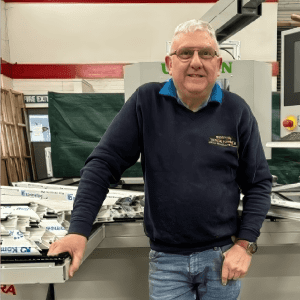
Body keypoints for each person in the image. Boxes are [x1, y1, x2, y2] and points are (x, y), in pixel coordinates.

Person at [48, 19, 272, 299]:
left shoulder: (236, 110)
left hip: (222, 259)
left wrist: (245, 244)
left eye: (206, 53)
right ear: (169, 62)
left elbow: (258, 183)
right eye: (185, 53)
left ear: (218, 63)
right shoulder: (146, 102)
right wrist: (78, 230)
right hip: (167, 262)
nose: (195, 62)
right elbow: (102, 165)